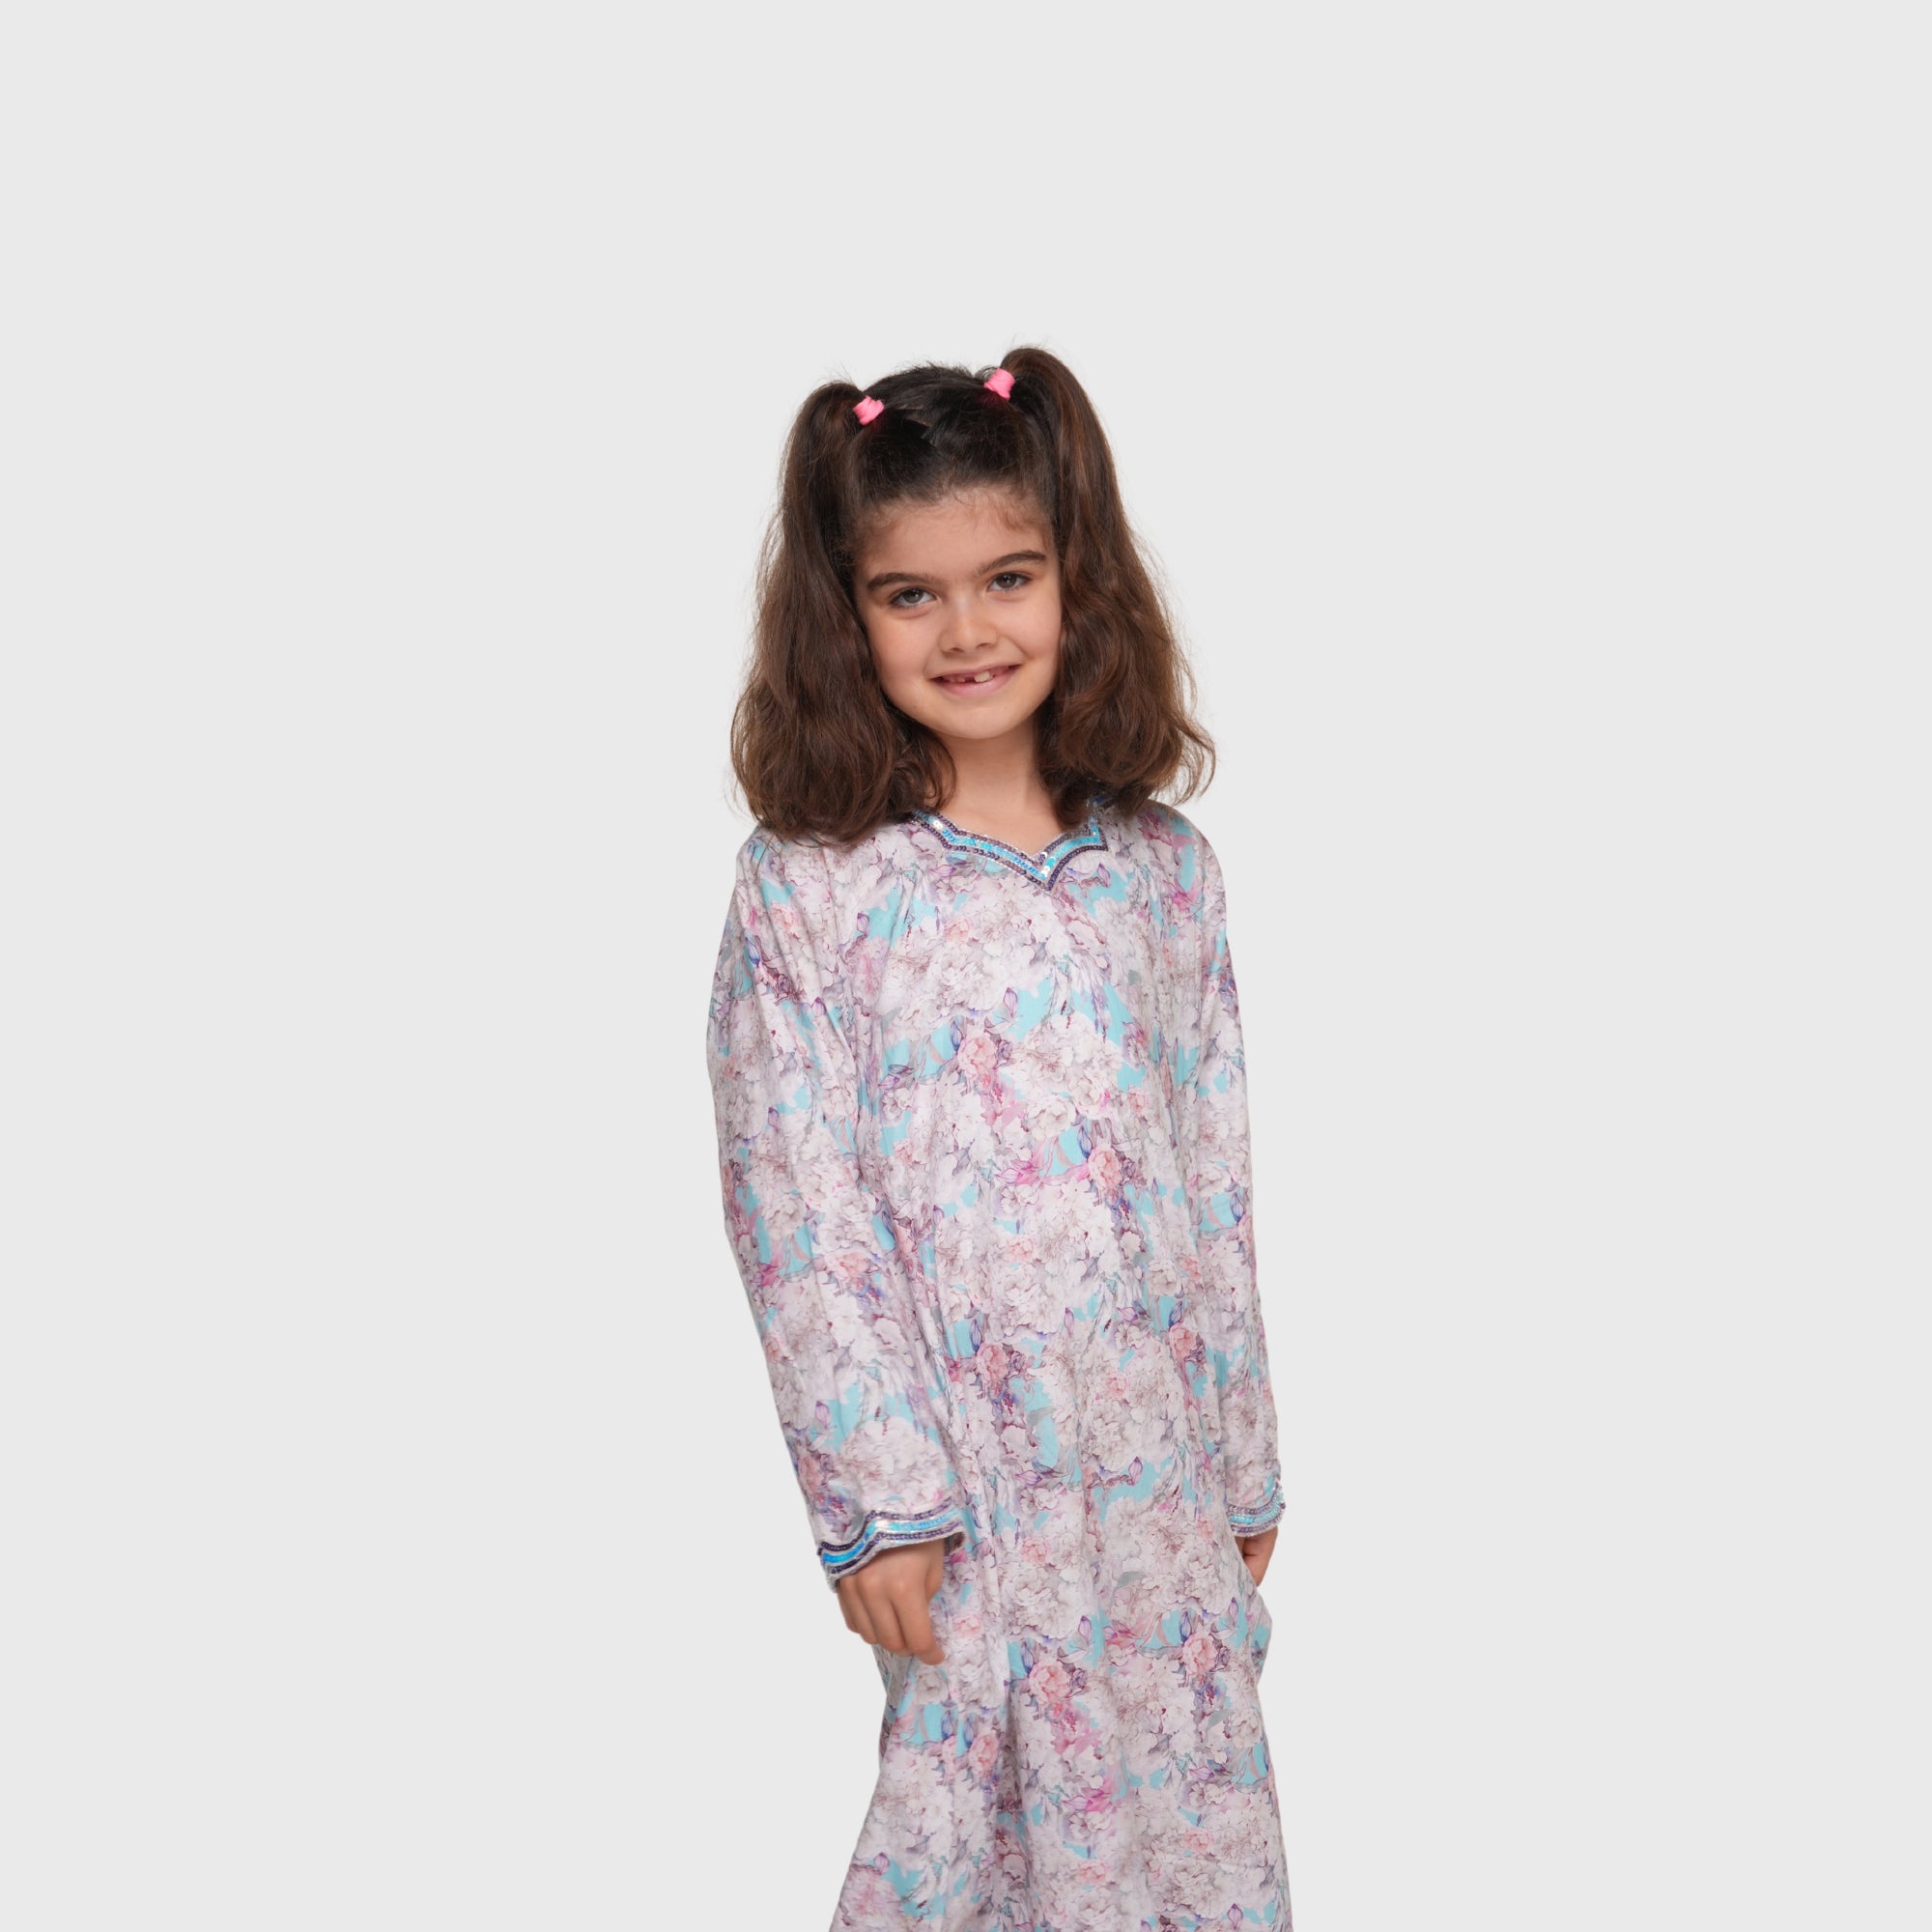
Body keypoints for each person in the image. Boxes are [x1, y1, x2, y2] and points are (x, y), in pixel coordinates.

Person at [704, 346, 1292, 1928]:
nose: (968, 631)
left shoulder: (1162, 871)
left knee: (1182, 1813)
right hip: (969, 1480)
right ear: (848, 616)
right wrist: (879, 1501)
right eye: (913, 595)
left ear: (1075, 581)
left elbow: (1214, 1180)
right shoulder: (813, 888)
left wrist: (1242, 1461)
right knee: (971, 1830)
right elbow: (794, 1205)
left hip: (1154, 1463)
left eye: (1008, 580)